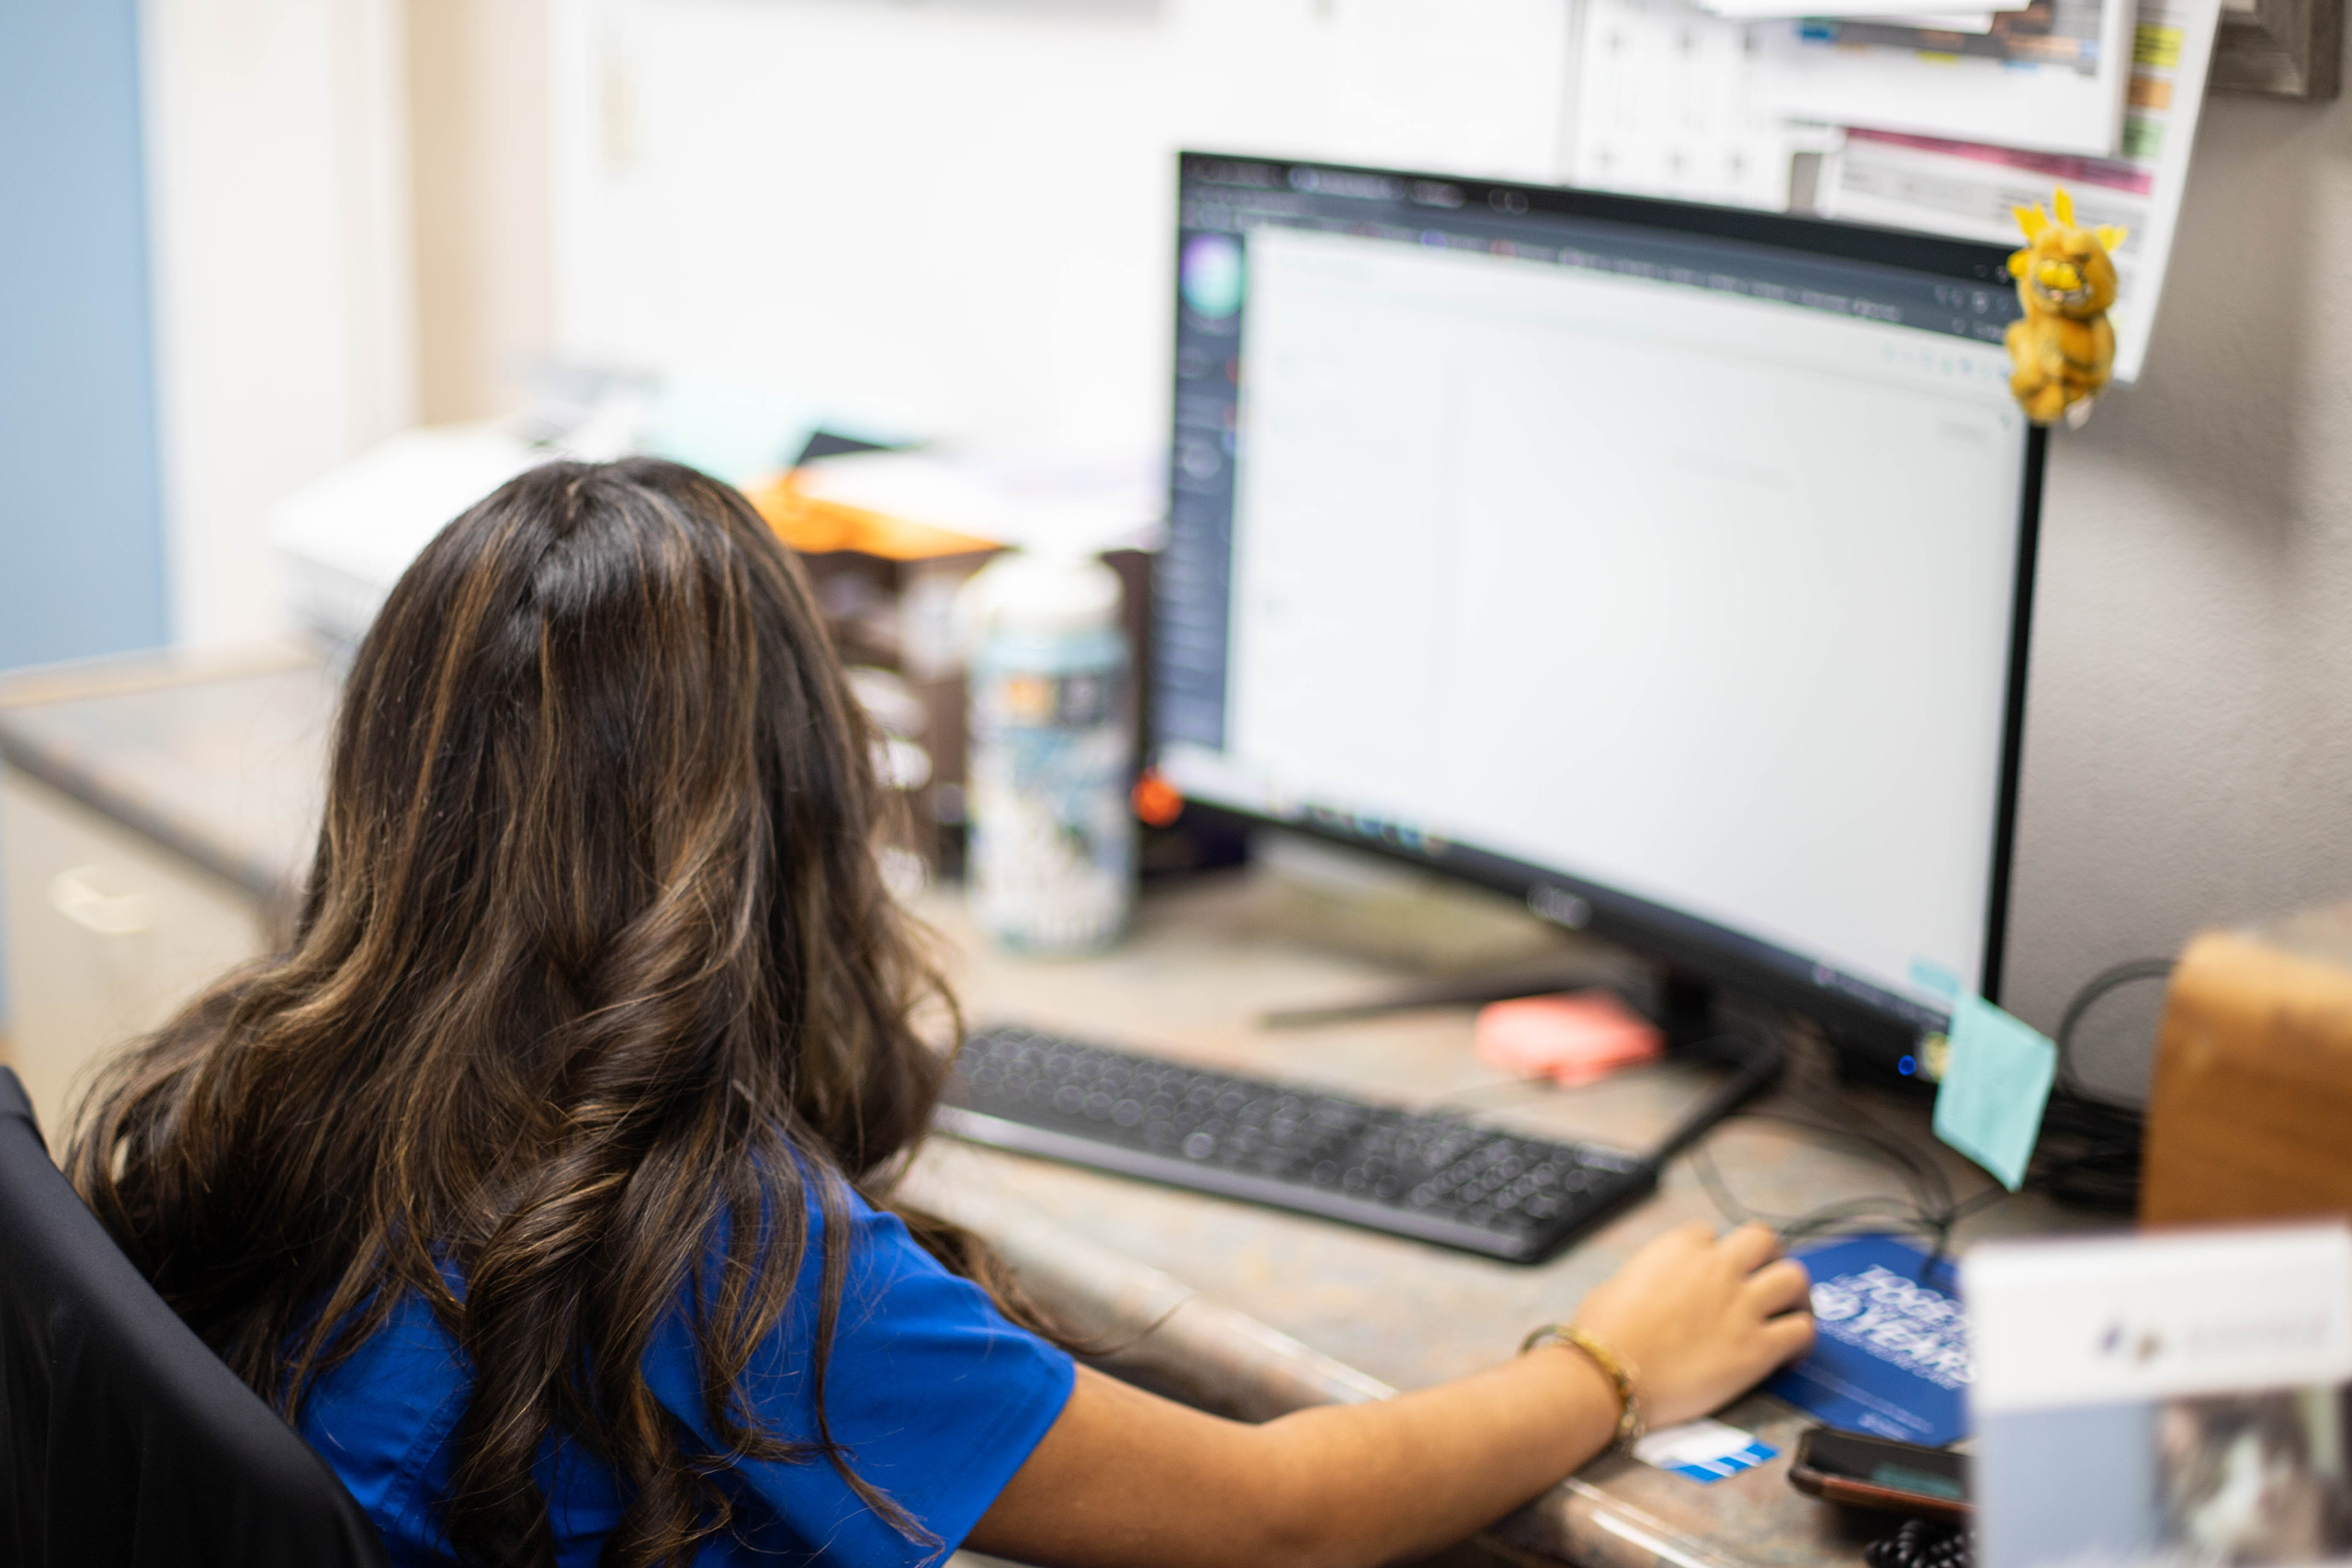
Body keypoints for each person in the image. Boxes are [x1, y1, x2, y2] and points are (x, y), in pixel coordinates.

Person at [68, 458, 1815, 1568]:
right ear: (791, 816)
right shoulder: (715, 1244)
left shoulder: (249, 1082)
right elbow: (1290, 1516)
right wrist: (1607, 1363)